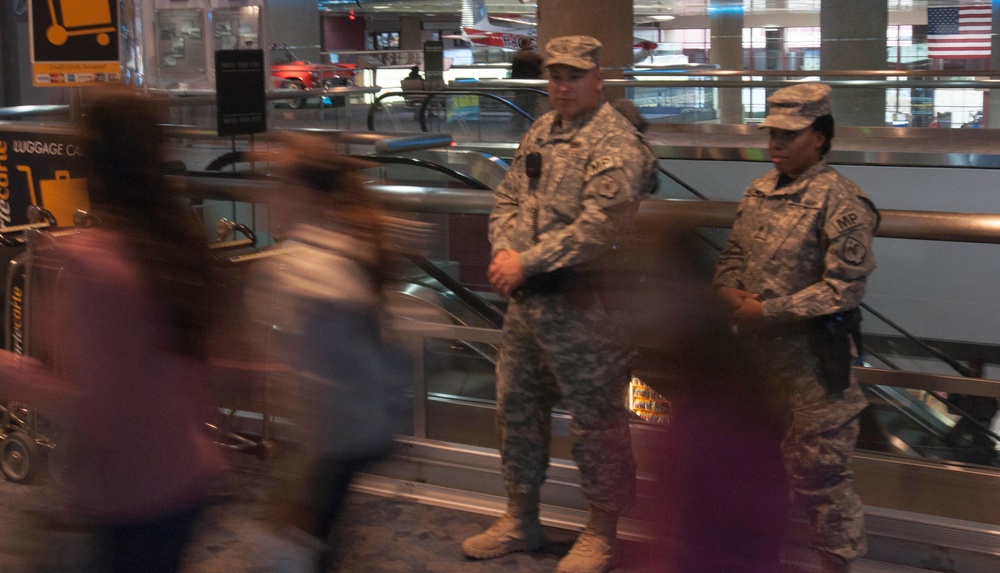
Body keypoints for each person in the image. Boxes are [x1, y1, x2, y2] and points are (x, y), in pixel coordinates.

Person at [0, 88, 224, 572]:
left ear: (93, 161)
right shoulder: (180, 244)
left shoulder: (89, 262)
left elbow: (99, 408)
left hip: (127, 493)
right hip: (187, 475)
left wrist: (16, 376)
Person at [461, 35, 658, 573]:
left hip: (587, 309)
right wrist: (504, 247)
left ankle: (602, 531)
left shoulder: (615, 142)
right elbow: (507, 196)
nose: (562, 86)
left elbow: (602, 227)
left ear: (598, 79)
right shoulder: (542, 129)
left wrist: (527, 261)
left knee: (598, 423)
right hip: (530, 306)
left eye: (573, 76)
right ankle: (521, 518)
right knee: (518, 411)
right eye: (554, 76)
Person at [713, 83, 879, 573]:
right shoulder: (759, 191)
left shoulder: (840, 200)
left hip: (813, 368)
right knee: (751, 472)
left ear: (821, 137)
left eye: (790, 134)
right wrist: (727, 293)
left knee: (820, 478)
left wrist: (770, 312)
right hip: (756, 366)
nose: (776, 144)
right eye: (772, 134)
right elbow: (733, 257)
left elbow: (844, 288)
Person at [244, 133, 411, 573]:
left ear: (300, 193)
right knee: (321, 534)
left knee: (298, 543)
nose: (270, 197)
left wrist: (295, 473)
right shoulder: (351, 242)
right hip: (363, 422)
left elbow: (310, 379)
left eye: (277, 185)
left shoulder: (295, 267)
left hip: (330, 433)